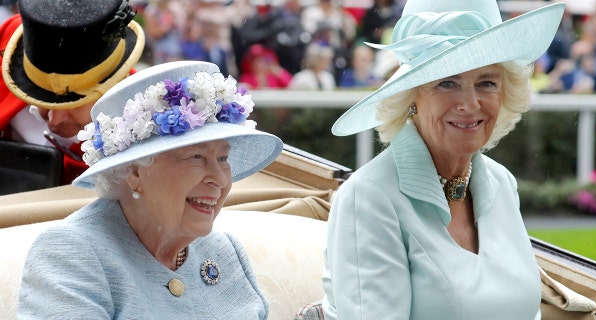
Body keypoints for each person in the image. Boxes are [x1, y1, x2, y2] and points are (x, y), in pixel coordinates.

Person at [321, 0, 565, 319]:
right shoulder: (368, 197)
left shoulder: (501, 182)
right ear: (411, 97)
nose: (469, 103)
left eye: (486, 82)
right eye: (446, 83)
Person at [17, 60, 284, 318]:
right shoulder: (71, 253)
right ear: (135, 171)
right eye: (196, 157)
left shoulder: (223, 250)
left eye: (222, 159)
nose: (220, 179)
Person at [0, 0, 144, 185]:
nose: (54, 121)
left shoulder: (146, 126)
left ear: (117, 82)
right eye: (40, 96)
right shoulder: (12, 40)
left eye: (74, 102)